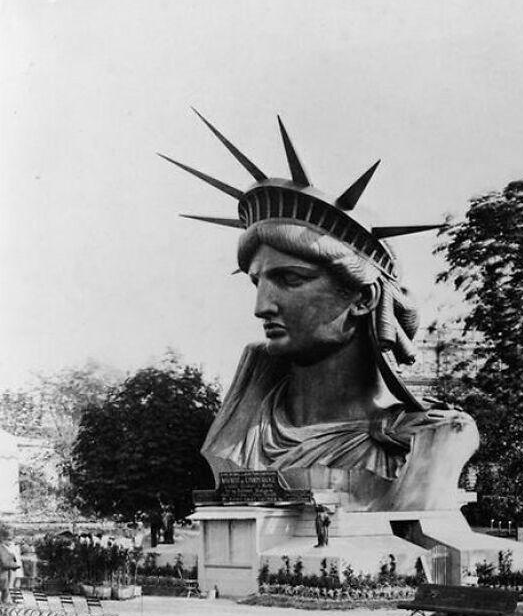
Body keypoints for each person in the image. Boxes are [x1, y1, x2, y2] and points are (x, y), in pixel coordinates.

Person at [166, 114, 478, 511]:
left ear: (363, 299)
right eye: (257, 282)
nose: (261, 307)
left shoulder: (430, 436)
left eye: (291, 279)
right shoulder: (240, 431)